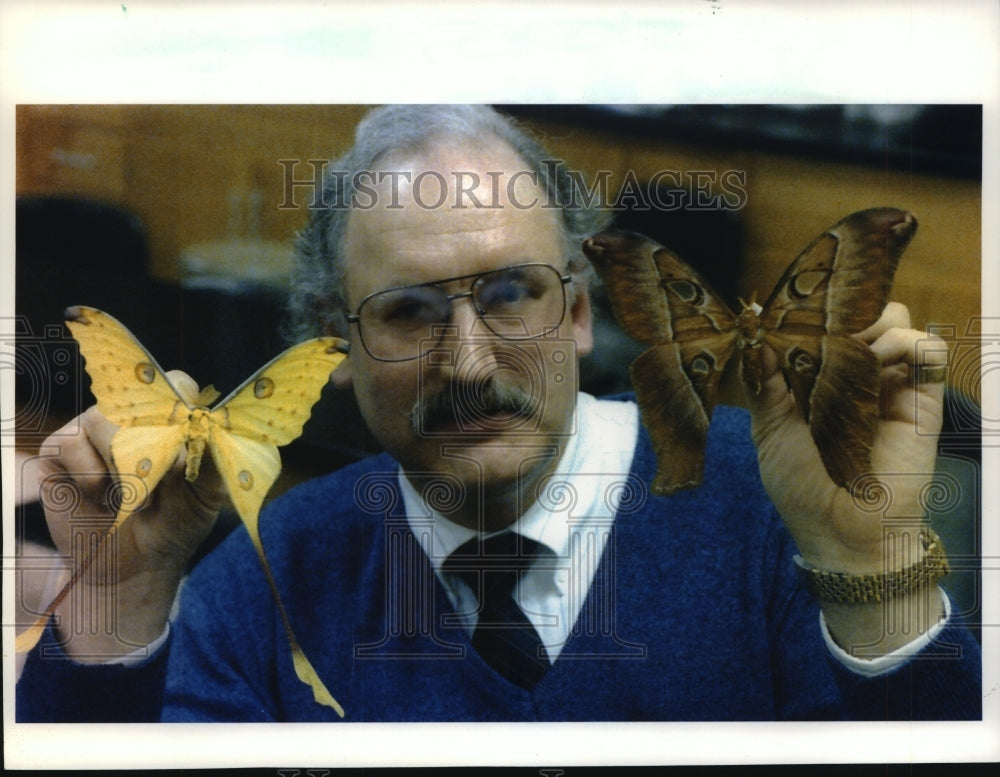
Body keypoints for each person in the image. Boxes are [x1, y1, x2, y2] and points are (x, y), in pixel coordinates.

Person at [16, 104, 980, 722]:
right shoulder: (262, 580)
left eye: (513, 294)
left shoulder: (770, 506)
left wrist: (870, 567)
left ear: (579, 310)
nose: (470, 361)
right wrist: (116, 603)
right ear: (333, 345)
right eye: (407, 311)